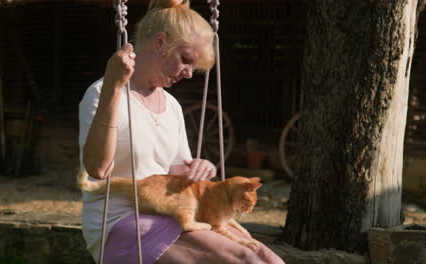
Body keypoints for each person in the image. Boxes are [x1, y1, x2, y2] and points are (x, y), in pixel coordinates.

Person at [79, 0, 285, 263]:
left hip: (172, 211)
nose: (189, 74)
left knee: (268, 259)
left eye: (194, 67)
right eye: (185, 60)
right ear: (160, 42)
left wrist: (199, 167)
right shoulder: (101, 93)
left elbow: (177, 172)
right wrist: (112, 87)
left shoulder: (172, 106)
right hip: (121, 219)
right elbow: (97, 169)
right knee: (244, 260)